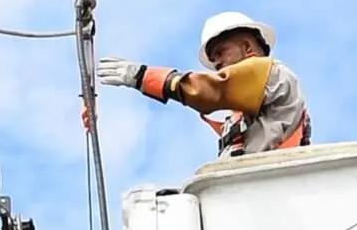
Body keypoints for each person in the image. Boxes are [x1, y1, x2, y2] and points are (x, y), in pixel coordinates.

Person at [89, 11, 311, 158]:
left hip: (266, 187)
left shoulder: (273, 73)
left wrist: (142, 76)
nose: (217, 65)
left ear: (247, 47)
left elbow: (210, 90)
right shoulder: (244, 111)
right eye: (213, 60)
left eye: (220, 52)